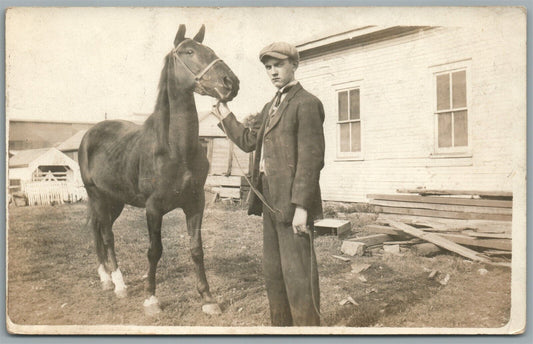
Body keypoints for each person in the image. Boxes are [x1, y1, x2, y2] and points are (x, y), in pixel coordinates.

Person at [211, 41, 325, 326]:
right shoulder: (270, 105)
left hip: (293, 202)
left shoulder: (307, 103)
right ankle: (281, 329)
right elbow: (251, 142)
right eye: (268, 68)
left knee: (298, 274)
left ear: (294, 65)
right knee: (275, 272)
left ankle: (308, 331)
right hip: (269, 201)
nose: (273, 72)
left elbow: (311, 160)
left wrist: (302, 207)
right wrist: (226, 116)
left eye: (279, 65)